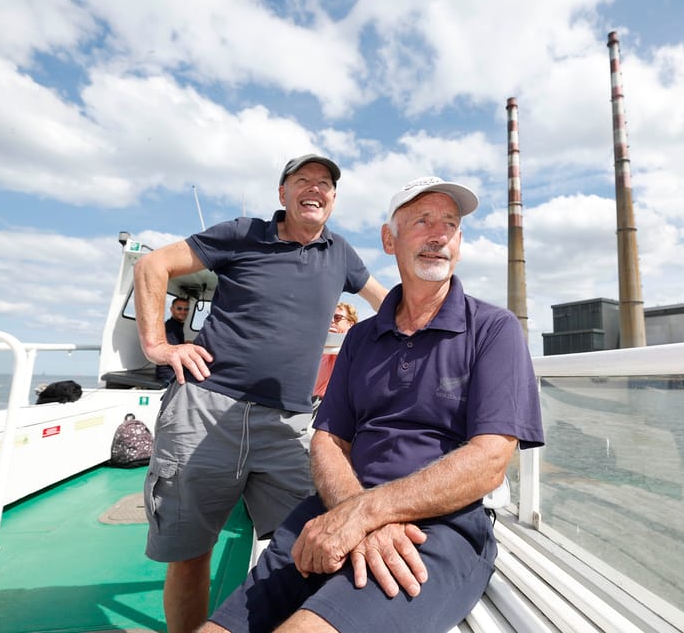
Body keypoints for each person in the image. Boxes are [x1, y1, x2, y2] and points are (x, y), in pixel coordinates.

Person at [200, 176, 545, 633]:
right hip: (334, 511)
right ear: (389, 239)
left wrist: (367, 515)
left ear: (459, 242)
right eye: (422, 220)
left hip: (437, 532)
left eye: (450, 224)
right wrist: (355, 511)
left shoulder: (493, 329)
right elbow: (328, 439)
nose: (439, 234)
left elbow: (489, 462)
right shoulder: (362, 337)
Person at [134, 154, 388, 633]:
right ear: (282, 193)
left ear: (333, 198)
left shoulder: (340, 253)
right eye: (303, 181)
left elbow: (386, 302)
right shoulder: (243, 233)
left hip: (288, 424)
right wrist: (157, 346)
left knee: (306, 548)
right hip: (205, 407)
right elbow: (153, 264)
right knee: (190, 554)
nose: (315, 189)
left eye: (325, 184)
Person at [311, 302, 358, 407]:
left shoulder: (355, 348)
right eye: (329, 317)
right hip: (311, 402)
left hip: (334, 406)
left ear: (350, 324)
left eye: (337, 317)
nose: (331, 321)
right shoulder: (318, 346)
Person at [155, 297, 189, 383]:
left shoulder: (176, 325)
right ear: (171, 309)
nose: (183, 312)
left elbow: (175, 344)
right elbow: (173, 351)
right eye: (179, 308)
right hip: (168, 374)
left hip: (172, 370)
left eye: (186, 309)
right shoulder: (170, 327)